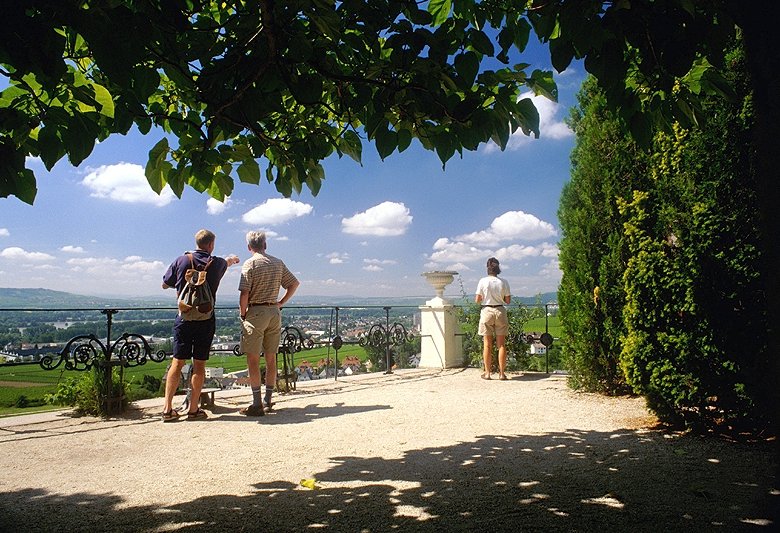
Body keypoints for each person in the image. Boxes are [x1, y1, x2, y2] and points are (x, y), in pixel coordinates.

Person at [161, 229, 239, 421]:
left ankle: (167, 409)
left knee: (177, 363)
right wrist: (232, 259)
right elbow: (227, 263)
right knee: (199, 365)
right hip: (205, 319)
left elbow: (164, 284)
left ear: (196, 242)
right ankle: (193, 409)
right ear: (211, 245)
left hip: (184, 318)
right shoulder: (218, 263)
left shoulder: (181, 260)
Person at [238, 230, 299, 416]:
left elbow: (244, 293)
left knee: (253, 359)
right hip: (274, 311)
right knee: (271, 358)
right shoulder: (277, 263)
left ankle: (256, 403)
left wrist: (243, 313)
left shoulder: (250, 264)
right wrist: (280, 303)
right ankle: (268, 400)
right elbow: (294, 283)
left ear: (249, 247)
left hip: (256, 312)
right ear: (265, 245)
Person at [475, 257, 511, 380]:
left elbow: (477, 300)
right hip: (500, 311)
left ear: (487, 268)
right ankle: (501, 373)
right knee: (501, 345)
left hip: (487, 311)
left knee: (487, 345)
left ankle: (487, 373)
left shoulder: (482, 281)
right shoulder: (504, 282)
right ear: (498, 268)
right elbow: (508, 301)